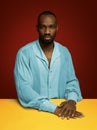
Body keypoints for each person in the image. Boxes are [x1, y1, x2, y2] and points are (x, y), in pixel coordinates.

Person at [14, 10, 84, 119]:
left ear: (57, 28)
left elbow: (71, 81)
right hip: (34, 113)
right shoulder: (24, 53)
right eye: (43, 27)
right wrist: (53, 108)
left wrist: (72, 101)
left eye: (51, 27)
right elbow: (24, 89)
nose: (47, 31)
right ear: (37, 28)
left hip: (62, 113)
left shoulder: (64, 52)